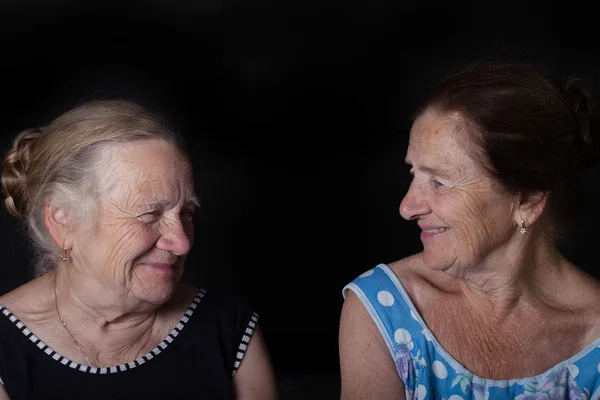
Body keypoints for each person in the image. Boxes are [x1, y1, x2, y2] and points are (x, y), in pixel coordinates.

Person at [339, 60, 600, 399]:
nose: (407, 207)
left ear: (528, 198)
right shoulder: (385, 311)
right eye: (413, 174)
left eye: (440, 181)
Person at [0, 100, 278, 399]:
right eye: (150, 214)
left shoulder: (229, 328)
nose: (181, 242)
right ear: (63, 222)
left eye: (186, 213)